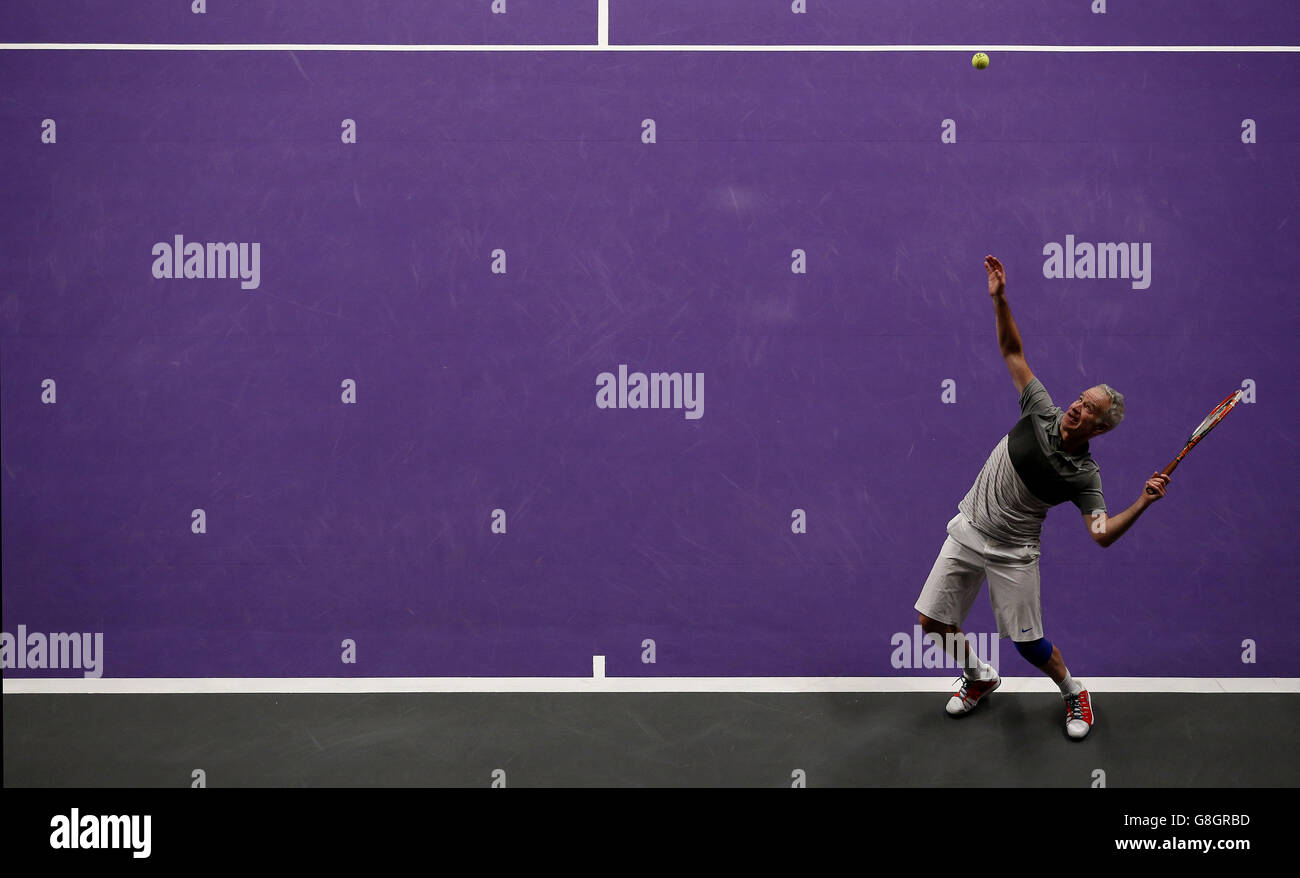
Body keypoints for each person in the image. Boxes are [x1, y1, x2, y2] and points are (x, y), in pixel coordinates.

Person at [913, 255, 1171, 740]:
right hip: (969, 528)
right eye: (1080, 399)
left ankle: (1074, 691)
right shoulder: (1040, 408)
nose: (1077, 407)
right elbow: (1013, 351)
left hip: (1014, 552)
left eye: (1088, 410)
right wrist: (1000, 299)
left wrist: (1142, 501)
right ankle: (978, 676)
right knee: (931, 622)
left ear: (1099, 428)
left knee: (1029, 646)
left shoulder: (1084, 476)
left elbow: (1101, 534)